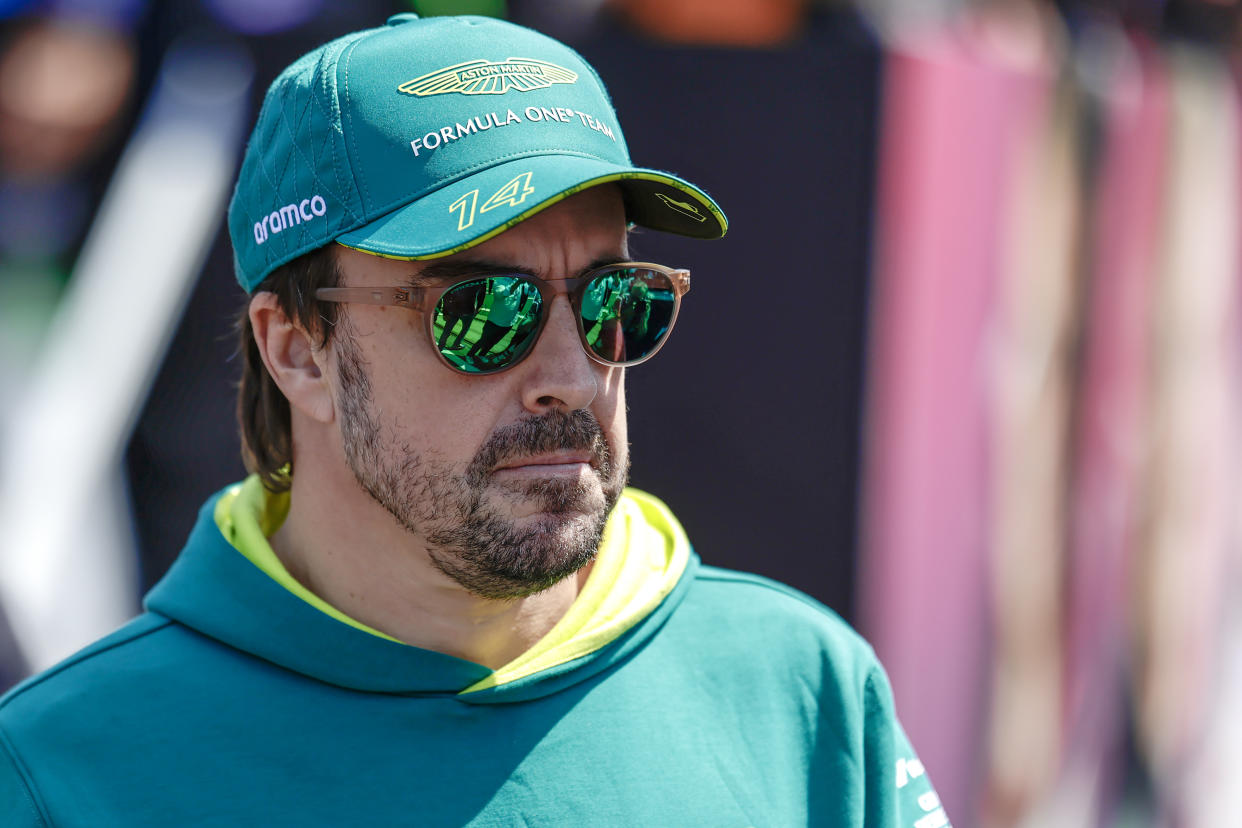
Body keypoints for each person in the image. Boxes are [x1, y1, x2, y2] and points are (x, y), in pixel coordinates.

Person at [0, 13, 948, 826]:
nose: (572, 376)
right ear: (296, 349)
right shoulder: (63, 769)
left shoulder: (802, 688)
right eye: (484, 313)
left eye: (621, 302)